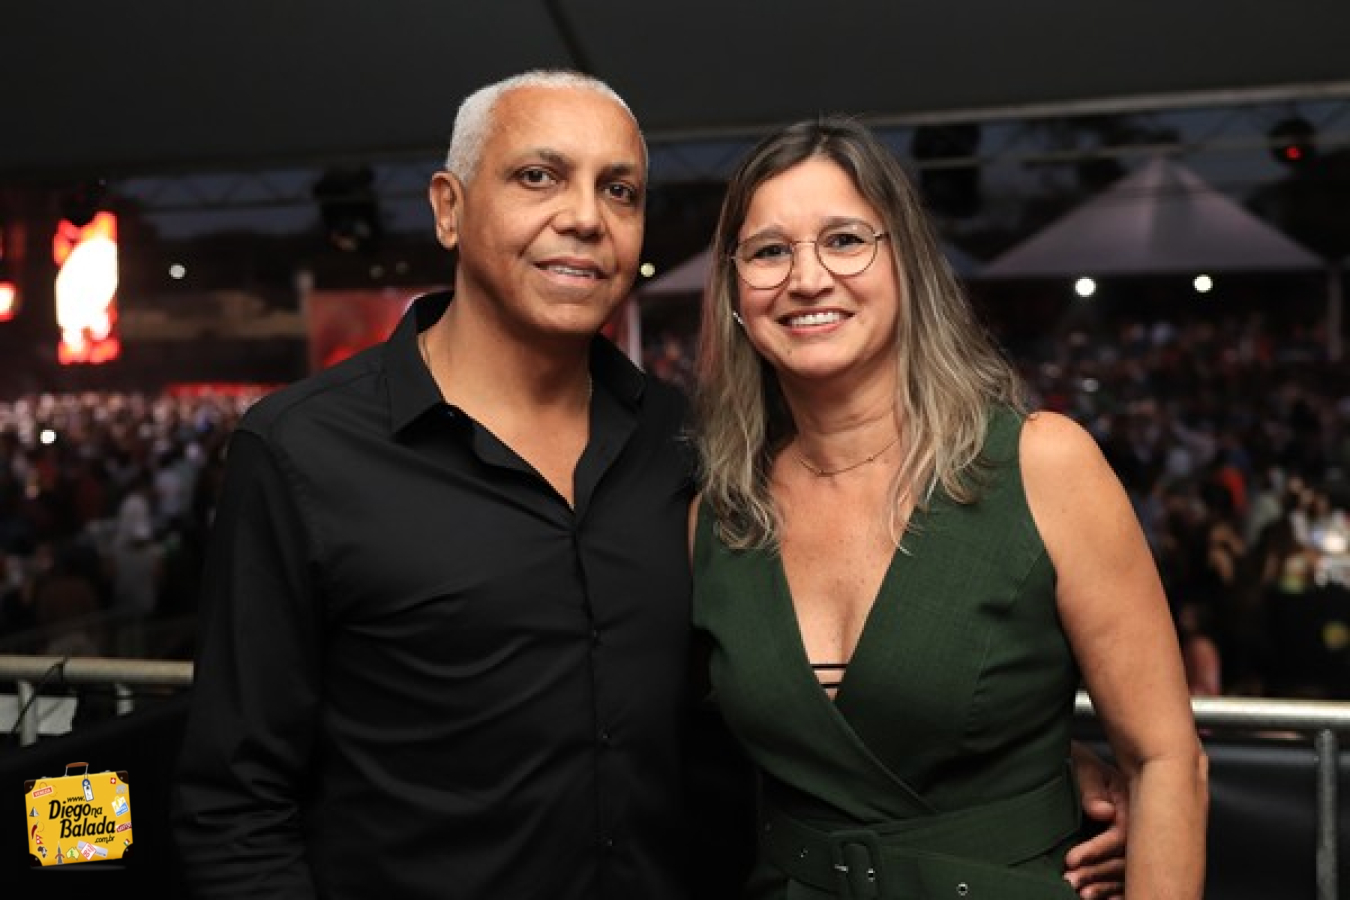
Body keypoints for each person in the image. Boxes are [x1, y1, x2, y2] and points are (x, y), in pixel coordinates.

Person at [172, 72, 1128, 900]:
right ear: (449, 209)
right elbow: (232, 802)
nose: (585, 216)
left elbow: (776, 695)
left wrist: (1015, 767)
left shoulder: (696, 451)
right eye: (538, 176)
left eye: (619, 189)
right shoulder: (302, 453)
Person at [690, 118, 1207, 899]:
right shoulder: (717, 518)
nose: (807, 277)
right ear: (734, 290)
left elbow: (1166, 761)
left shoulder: (1042, 465)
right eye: (768, 251)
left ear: (907, 265)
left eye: (845, 240)